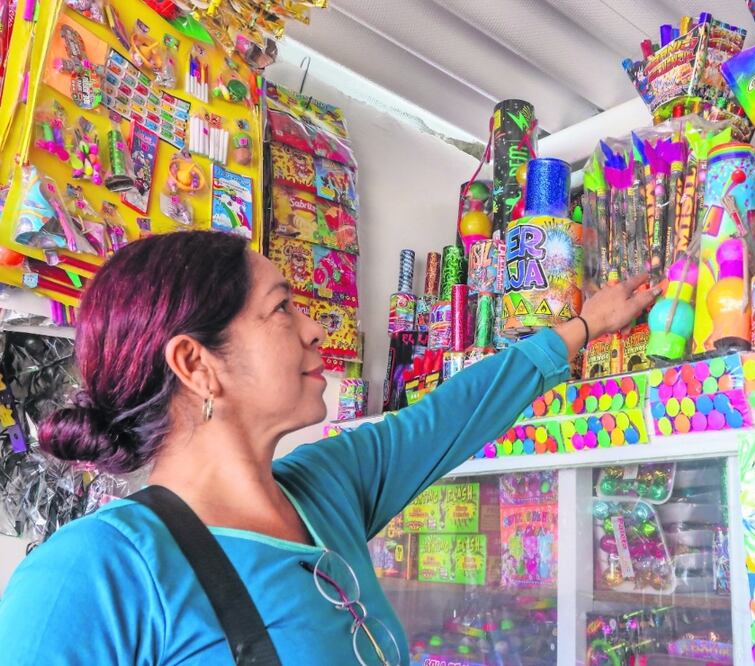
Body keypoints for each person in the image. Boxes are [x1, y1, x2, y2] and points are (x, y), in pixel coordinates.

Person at [0, 231, 656, 664]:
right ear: (197, 364)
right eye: (282, 308)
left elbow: (451, 413)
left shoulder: (326, 488)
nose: (316, 328)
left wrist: (584, 326)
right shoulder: (92, 574)